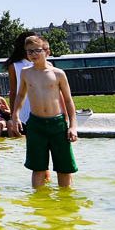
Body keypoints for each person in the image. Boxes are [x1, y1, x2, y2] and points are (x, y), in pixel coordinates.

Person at [11, 35, 79, 188]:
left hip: (57, 124)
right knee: (38, 168)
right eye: (29, 52)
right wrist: (15, 115)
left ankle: (66, 202)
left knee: (64, 168)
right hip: (36, 124)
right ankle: (39, 205)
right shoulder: (26, 73)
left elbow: (68, 100)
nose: (33, 54)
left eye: (37, 51)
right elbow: (20, 95)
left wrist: (73, 126)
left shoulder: (58, 74)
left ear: (47, 51)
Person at [5, 29, 38, 126]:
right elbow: (13, 91)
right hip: (24, 113)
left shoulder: (43, 63)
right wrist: (13, 116)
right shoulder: (15, 66)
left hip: (45, 112)